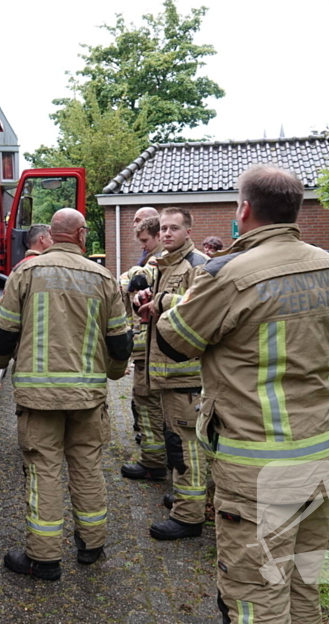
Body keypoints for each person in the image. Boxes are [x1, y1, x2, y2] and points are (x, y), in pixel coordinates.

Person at [153, 164, 329, 623]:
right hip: (319, 456)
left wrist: (174, 302)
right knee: (303, 583)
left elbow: (174, 341)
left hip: (256, 467)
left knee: (255, 595)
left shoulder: (227, 274)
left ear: (244, 209)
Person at [0, 208, 132, 580]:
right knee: (87, 468)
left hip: (39, 400)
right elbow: (120, 342)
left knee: (44, 471)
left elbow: (3, 334)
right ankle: (92, 545)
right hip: (88, 398)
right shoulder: (103, 277)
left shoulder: (26, 272)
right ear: (82, 235)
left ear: (51, 235)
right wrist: (114, 374)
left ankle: (43, 558)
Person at [139, 207, 210, 540]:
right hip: (171, 373)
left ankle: (189, 517)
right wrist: (147, 300)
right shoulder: (166, 264)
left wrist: (163, 300)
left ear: (189, 232)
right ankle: (185, 498)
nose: (166, 234)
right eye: (163, 229)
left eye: (174, 228)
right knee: (176, 442)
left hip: (187, 374)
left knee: (187, 447)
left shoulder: (198, 265)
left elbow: (201, 309)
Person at [119, 216, 167, 482]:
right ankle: (155, 460)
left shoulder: (158, 261)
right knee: (148, 403)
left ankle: (154, 462)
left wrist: (126, 280)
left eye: (146, 240)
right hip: (149, 347)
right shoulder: (158, 259)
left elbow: (136, 280)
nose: (143, 246)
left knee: (148, 403)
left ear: (158, 236)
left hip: (152, 348)